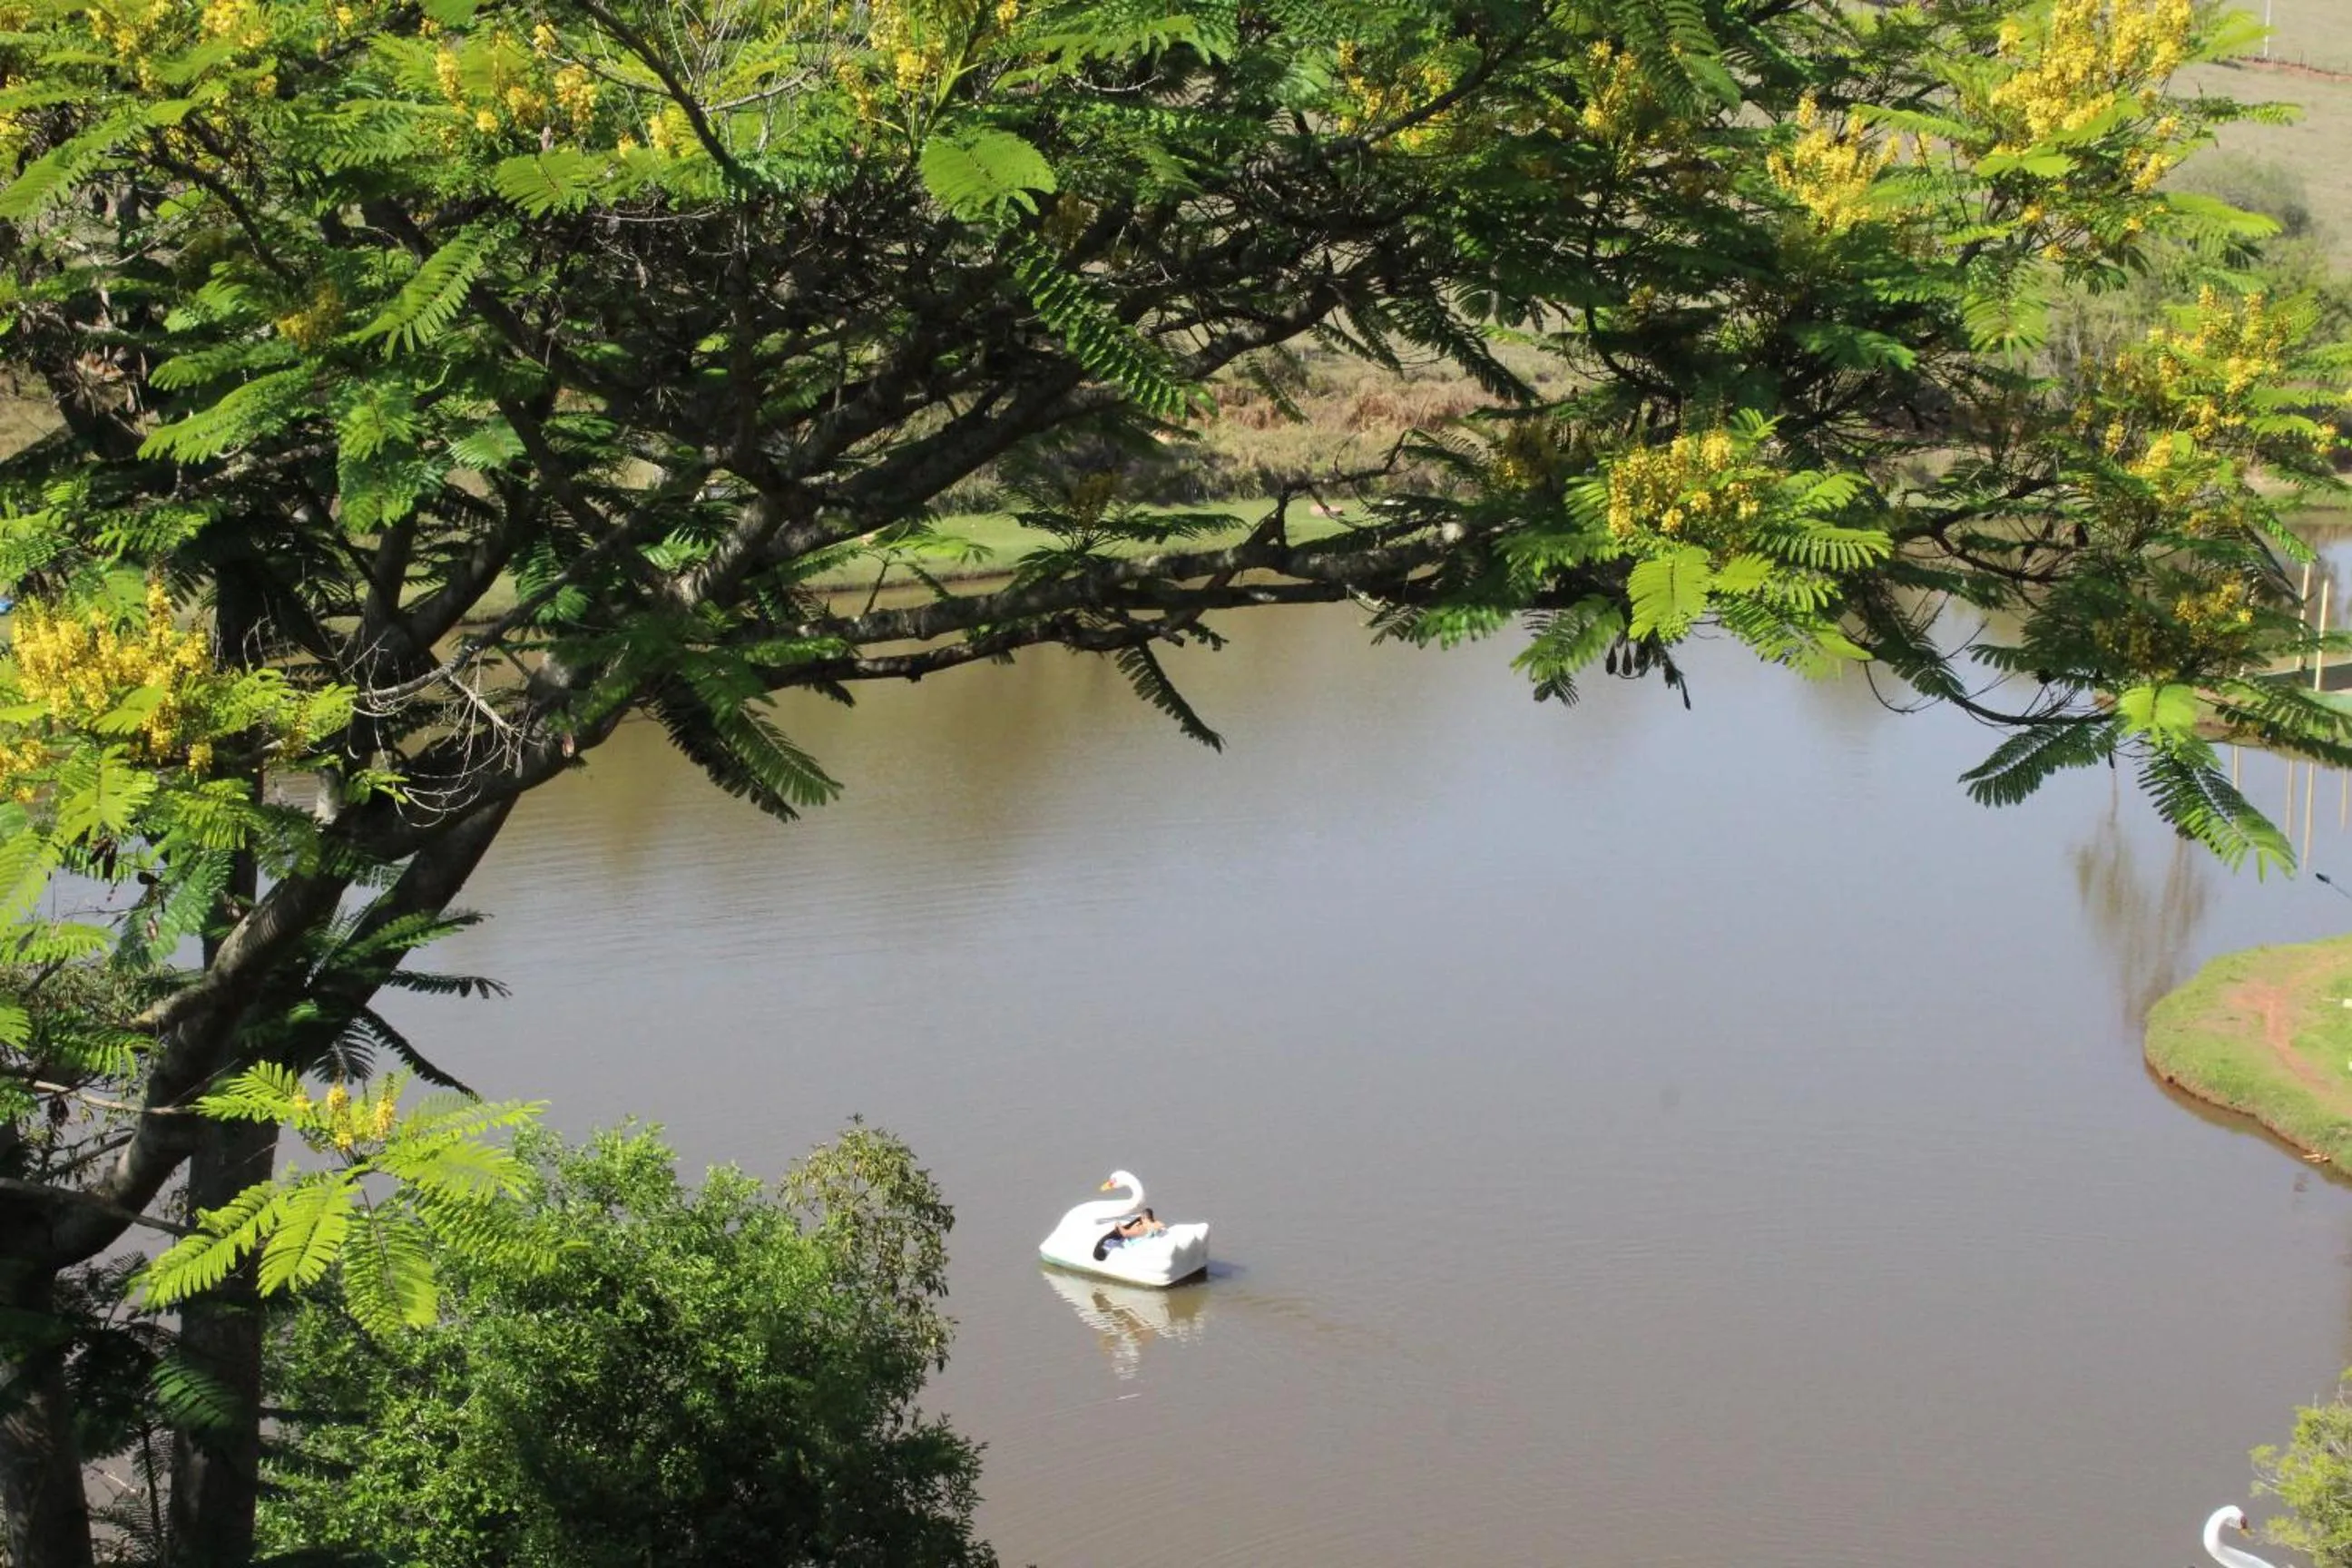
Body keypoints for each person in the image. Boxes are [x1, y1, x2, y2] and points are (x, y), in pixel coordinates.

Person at [1092, 1210, 1164, 1259]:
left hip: (1129, 1243)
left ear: (1143, 1217)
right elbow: (1161, 1225)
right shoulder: (1156, 1225)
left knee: (1109, 1241)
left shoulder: (1140, 1228)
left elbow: (1125, 1234)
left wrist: (1118, 1225)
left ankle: (1102, 1254)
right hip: (1142, 1237)